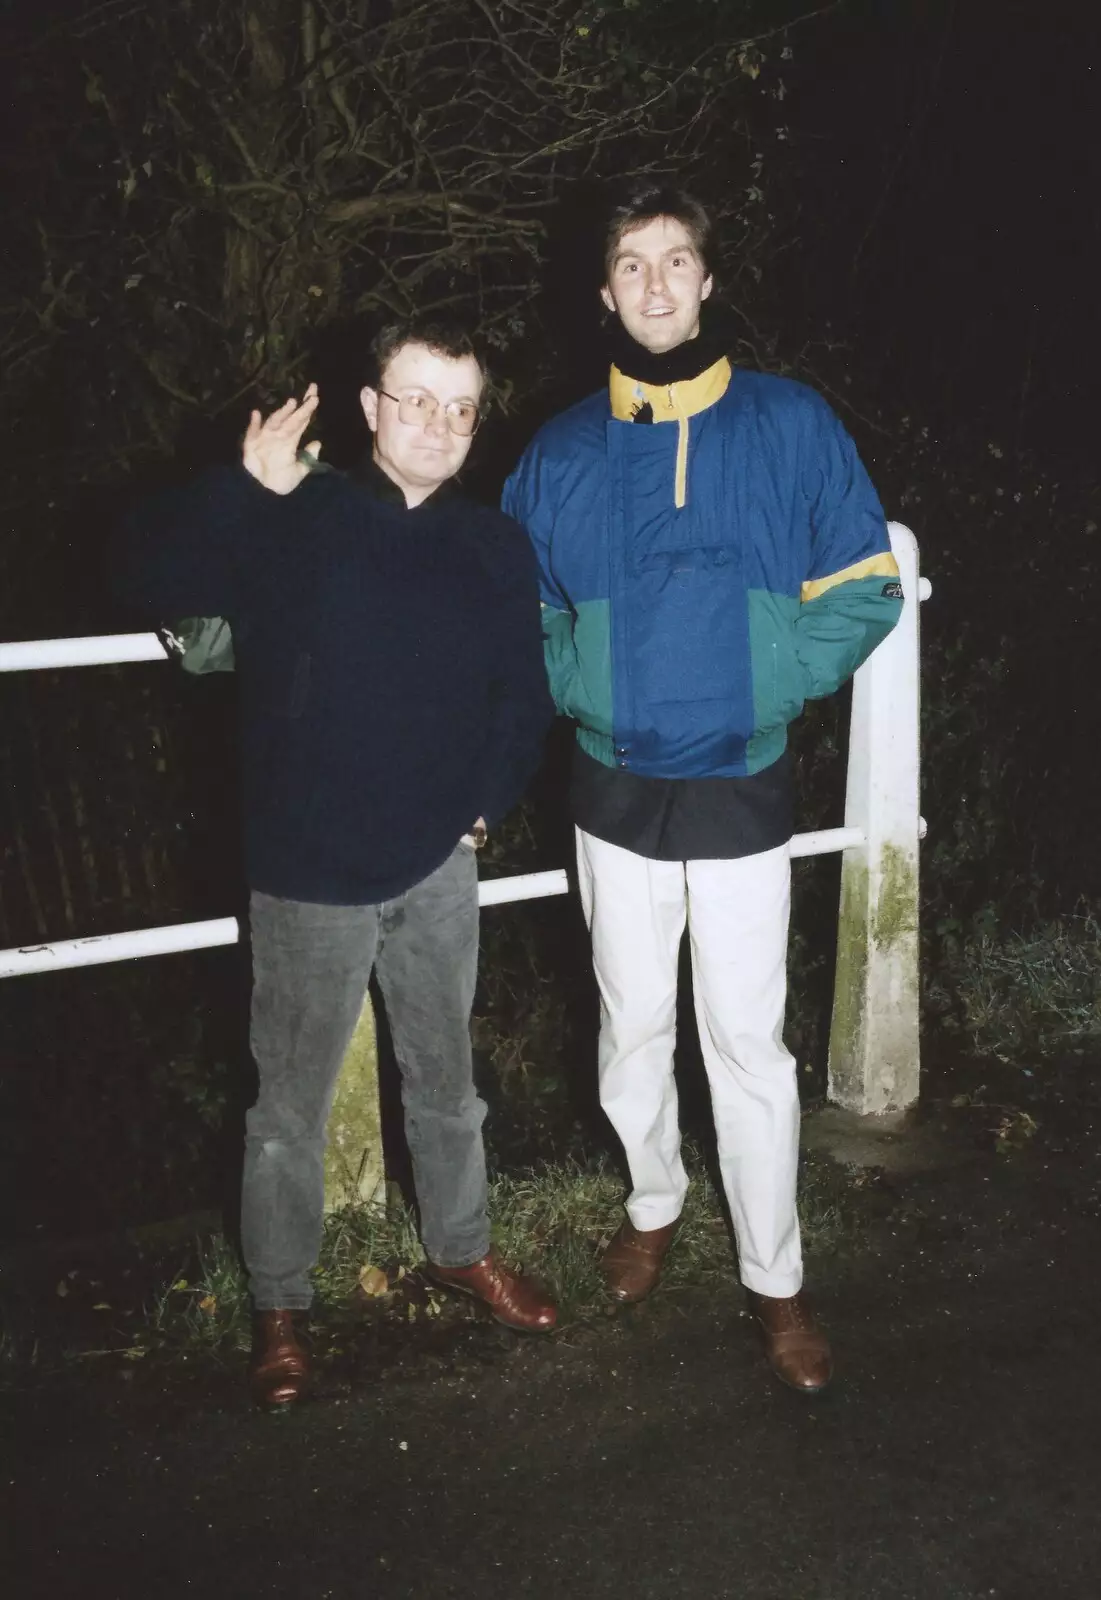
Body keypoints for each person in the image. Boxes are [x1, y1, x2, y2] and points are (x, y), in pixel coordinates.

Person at [503, 184, 903, 1394]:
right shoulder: (560, 449)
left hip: (740, 783)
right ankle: (656, 1201)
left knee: (747, 1039)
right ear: (606, 290)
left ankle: (776, 1279)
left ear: (709, 280)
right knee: (629, 1026)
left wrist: (762, 679)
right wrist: (590, 686)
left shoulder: (790, 424)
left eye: (679, 261)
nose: (659, 285)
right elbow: (515, 617)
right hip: (614, 792)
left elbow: (868, 583)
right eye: (635, 265)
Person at [119, 319, 558, 1409]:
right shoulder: (297, 513)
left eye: (460, 408)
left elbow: (523, 693)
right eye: (416, 399)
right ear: (369, 408)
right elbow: (149, 571)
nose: (440, 425)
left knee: (449, 1088)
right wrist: (245, 486)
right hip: (306, 867)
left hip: (437, 867)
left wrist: (485, 808)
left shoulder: (494, 544)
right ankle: (281, 1305)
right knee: (287, 1111)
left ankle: (461, 1250)